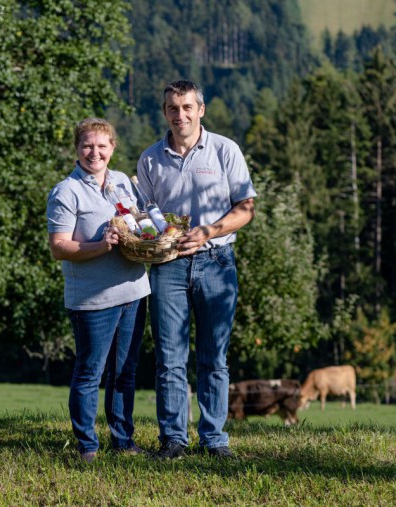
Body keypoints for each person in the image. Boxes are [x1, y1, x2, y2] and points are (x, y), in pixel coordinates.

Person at [136, 80, 256, 459]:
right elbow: (144, 217)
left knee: (213, 356)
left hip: (217, 263)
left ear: (200, 110)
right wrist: (148, 234)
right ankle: (173, 439)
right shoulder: (150, 159)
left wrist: (209, 231)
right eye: (173, 108)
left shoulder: (225, 150)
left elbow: (246, 209)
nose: (180, 115)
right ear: (165, 112)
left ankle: (214, 440)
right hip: (167, 267)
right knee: (169, 357)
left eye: (187, 107)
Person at [47, 118, 150, 463]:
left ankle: (123, 441)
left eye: (102, 145)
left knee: (125, 371)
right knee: (90, 372)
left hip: (134, 291)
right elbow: (59, 247)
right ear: (77, 150)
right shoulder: (66, 192)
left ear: (112, 148)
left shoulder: (122, 181)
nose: (95, 152)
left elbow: (136, 220)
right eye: (88, 146)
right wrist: (99, 245)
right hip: (94, 300)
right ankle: (87, 446)